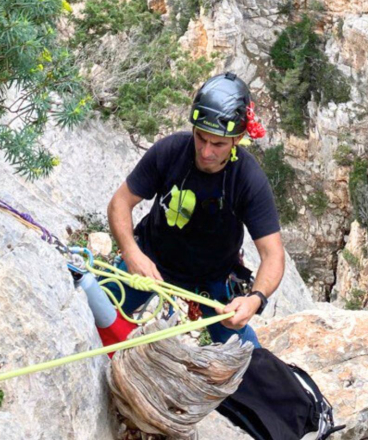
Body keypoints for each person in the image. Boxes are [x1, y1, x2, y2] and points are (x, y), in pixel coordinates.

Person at [106, 72, 285, 348]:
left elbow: (272, 254)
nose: (205, 152)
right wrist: (131, 253)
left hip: (213, 276)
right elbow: (120, 203)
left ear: (237, 139)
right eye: (201, 138)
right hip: (151, 259)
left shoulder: (247, 179)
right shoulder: (171, 151)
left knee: (249, 358)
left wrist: (254, 299)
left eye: (218, 144)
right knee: (96, 312)